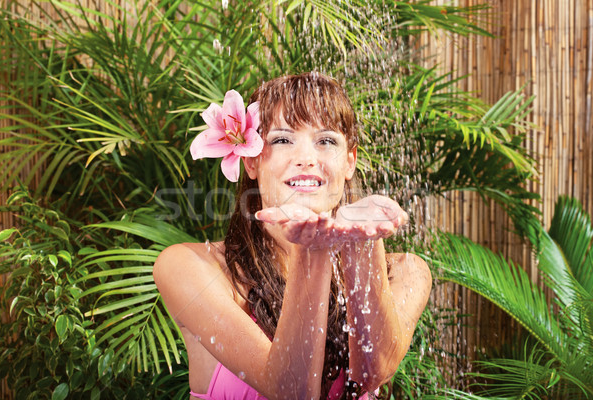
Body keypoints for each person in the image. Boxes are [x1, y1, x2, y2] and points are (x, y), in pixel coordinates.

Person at [153, 72, 432, 400]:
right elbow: (289, 390)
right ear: (252, 161)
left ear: (350, 162)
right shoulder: (191, 268)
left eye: (326, 141)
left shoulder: (404, 271)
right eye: (283, 139)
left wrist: (363, 245)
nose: (306, 159)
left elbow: (373, 372)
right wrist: (311, 250)